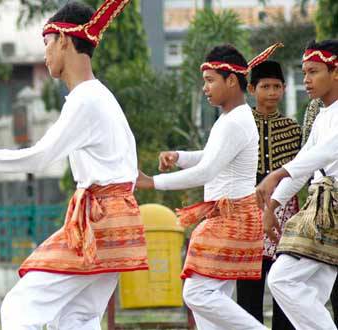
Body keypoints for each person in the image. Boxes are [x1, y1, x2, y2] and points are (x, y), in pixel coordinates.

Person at [0, 1, 148, 328]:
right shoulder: (103, 98)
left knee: (20, 307)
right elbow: (129, 171)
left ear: (63, 39)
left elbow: (39, 156)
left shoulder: (86, 100)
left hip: (100, 221)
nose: (45, 53)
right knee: (78, 318)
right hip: (118, 222)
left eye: (46, 43)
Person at [138, 43, 284, 329]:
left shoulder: (235, 122)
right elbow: (210, 157)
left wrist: (152, 182)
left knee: (197, 294)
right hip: (231, 218)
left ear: (231, 81)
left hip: (230, 220)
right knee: (210, 310)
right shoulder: (231, 119)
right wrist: (179, 157)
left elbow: (207, 170)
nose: (205, 88)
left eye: (210, 80)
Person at [257, 39, 338, 330]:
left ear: (336, 72)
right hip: (323, 209)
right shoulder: (323, 115)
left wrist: (278, 173)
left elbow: (327, 151)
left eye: (314, 71)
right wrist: (273, 206)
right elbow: (306, 162)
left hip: (331, 210)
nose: (306, 79)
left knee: (281, 278)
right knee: (312, 295)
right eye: (304, 72)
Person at [236, 60, 298, 329]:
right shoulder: (240, 123)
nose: (271, 92)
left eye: (276, 87)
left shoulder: (293, 128)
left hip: (285, 205)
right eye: (265, 86)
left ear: (284, 88)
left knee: (284, 278)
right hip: (248, 205)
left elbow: (298, 172)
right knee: (250, 279)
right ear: (251, 88)